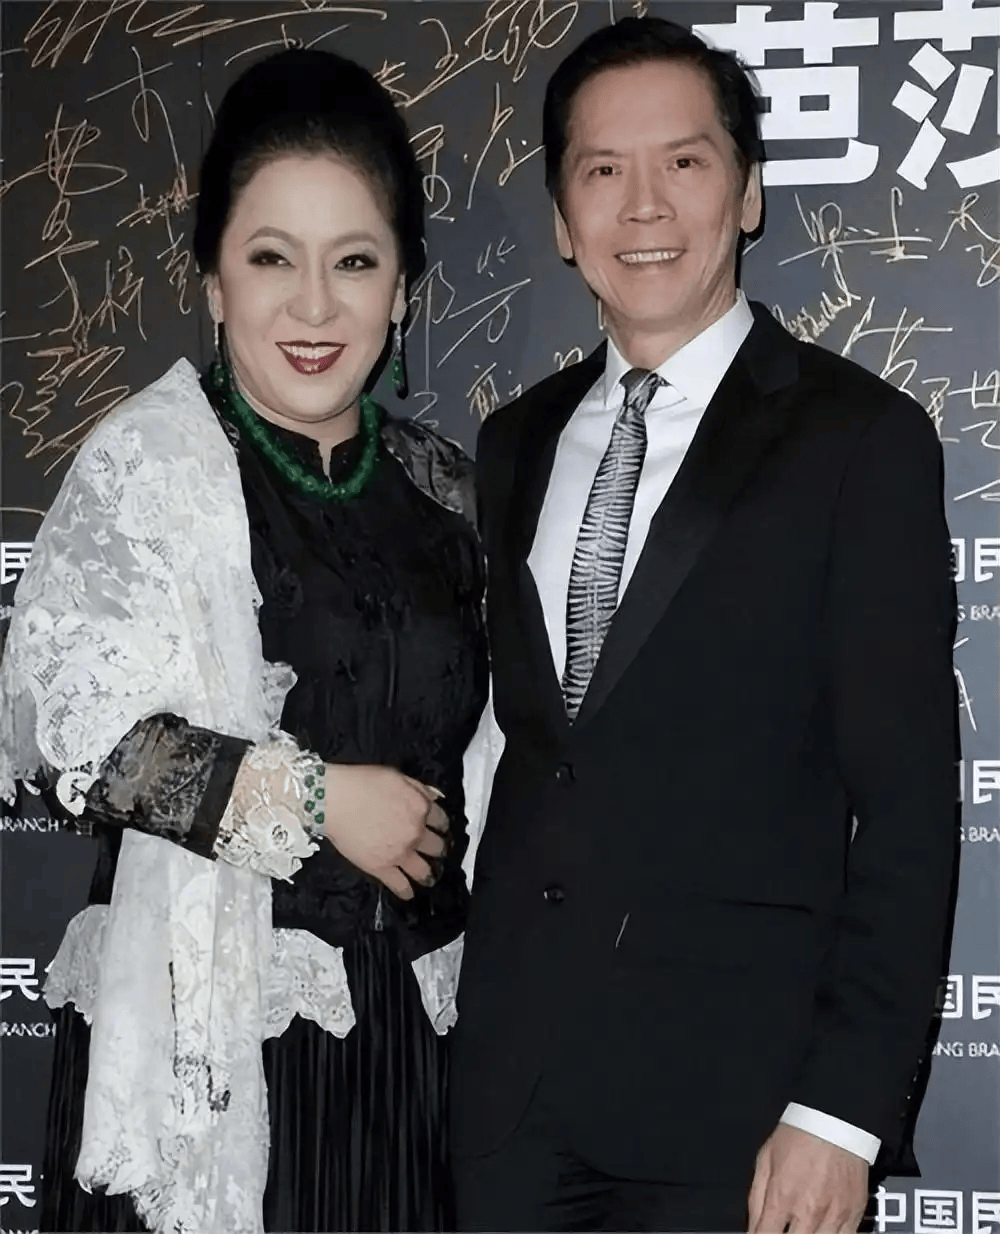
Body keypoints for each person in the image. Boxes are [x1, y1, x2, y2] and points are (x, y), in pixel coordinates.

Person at [450, 17, 959, 1234]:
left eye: (683, 162)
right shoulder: (512, 442)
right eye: (602, 170)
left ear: (748, 193)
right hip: (509, 1106)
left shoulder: (858, 439)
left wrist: (840, 1112)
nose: (644, 206)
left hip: (743, 1118)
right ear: (563, 220)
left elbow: (905, 805)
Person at [0, 48, 489, 1234]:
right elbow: (71, 740)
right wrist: (318, 800)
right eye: (271, 258)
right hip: (218, 1043)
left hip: (408, 1054)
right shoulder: (152, 464)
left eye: (354, 262)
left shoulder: (448, 489)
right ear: (214, 280)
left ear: (402, 291)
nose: (313, 307)